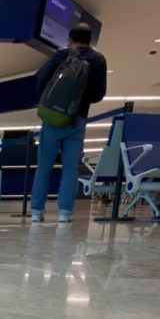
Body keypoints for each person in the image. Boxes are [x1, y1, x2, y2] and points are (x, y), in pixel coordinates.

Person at [29, 23, 108, 223]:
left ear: (69, 39)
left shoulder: (61, 55)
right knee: (70, 169)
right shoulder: (98, 60)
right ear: (90, 40)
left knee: (43, 168)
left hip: (52, 119)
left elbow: (39, 84)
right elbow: (98, 95)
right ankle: (65, 213)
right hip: (77, 119)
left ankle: (37, 211)